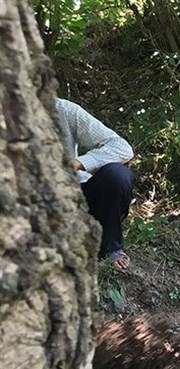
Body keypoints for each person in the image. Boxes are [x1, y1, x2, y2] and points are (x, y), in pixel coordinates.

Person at [55, 97, 136, 270]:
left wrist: (80, 162)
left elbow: (122, 147)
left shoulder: (63, 110)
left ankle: (109, 247)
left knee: (117, 176)